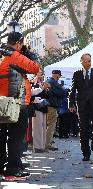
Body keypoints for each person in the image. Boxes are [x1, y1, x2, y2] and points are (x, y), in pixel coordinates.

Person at [0, 32, 39, 177]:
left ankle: (5, 166)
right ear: (18, 43)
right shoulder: (13, 55)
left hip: (1, 102)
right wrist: (30, 54)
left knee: (2, 136)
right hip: (16, 103)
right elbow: (34, 67)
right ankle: (12, 170)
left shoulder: (2, 54)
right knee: (16, 138)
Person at [69, 54, 93, 161]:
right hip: (82, 106)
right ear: (81, 61)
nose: (88, 63)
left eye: (89, 61)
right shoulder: (76, 74)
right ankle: (86, 153)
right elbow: (72, 90)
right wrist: (71, 104)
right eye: (85, 61)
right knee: (84, 130)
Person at [45, 70, 65, 151]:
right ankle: (48, 144)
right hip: (52, 106)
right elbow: (62, 93)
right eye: (59, 75)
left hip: (48, 105)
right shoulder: (53, 83)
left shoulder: (48, 82)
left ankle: (47, 142)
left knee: (47, 125)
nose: (59, 77)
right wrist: (62, 89)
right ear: (56, 75)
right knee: (51, 125)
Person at [30, 70, 49, 153]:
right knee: (37, 128)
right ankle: (37, 147)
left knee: (43, 127)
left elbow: (47, 96)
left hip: (43, 107)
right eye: (40, 73)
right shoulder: (32, 82)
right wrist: (42, 89)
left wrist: (46, 90)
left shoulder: (43, 83)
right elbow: (32, 94)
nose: (41, 74)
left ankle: (42, 146)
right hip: (36, 107)